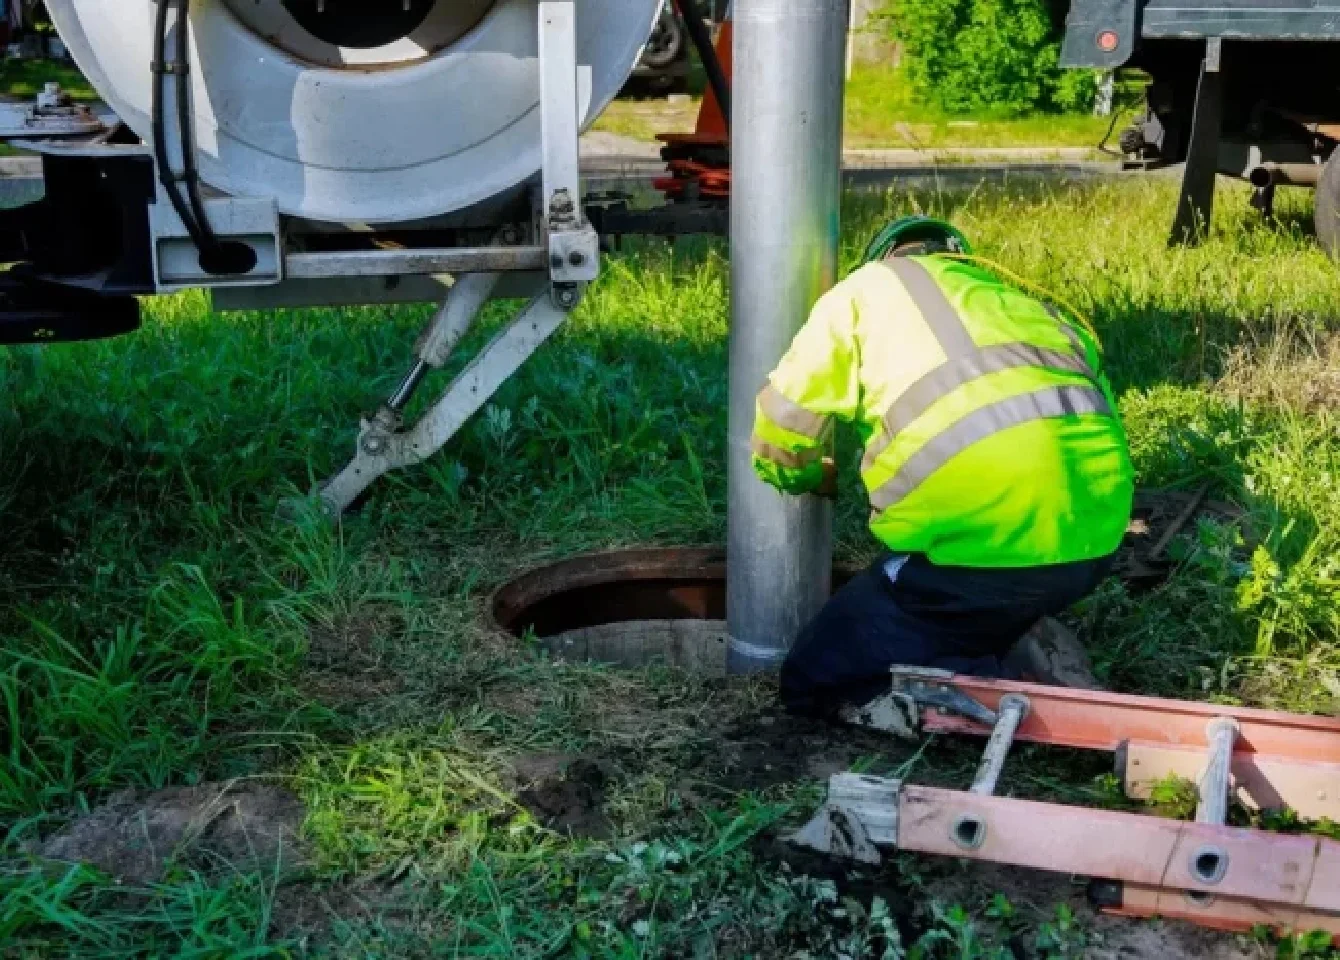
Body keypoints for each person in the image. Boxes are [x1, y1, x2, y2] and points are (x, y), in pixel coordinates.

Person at [750, 216, 1134, 718]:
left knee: (811, 678)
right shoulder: (1026, 306)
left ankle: (989, 680)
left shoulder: (862, 293)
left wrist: (805, 477)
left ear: (882, 259)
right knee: (973, 601)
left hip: (980, 556)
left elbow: (781, 427)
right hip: (1095, 545)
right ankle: (1011, 637)